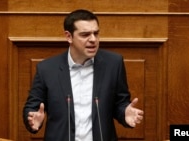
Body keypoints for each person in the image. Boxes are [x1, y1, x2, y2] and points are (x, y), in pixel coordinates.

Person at [23, 9, 144, 141]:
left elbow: (120, 103)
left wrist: (125, 113)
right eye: (85, 34)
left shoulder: (113, 64)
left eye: (96, 33)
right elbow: (32, 107)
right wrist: (31, 119)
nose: (93, 39)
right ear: (69, 36)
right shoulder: (47, 69)